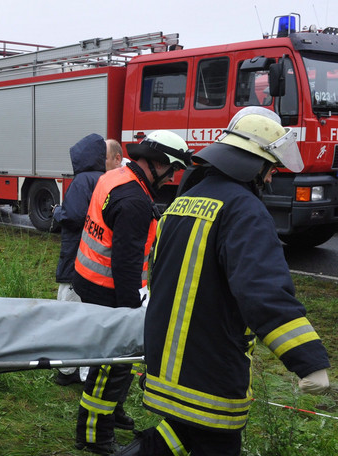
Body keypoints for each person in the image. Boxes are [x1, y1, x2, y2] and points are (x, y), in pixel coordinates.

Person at [116, 107, 331, 456]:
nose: (270, 178)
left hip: (165, 360)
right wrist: (309, 361)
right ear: (255, 165)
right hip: (209, 370)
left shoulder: (182, 203)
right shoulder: (244, 210)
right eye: (270, 168)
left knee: (181, 435)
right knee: (211, 440)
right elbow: (263, 292)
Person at [73, 131, 192, 455]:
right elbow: (125, 265)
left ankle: (114, 410)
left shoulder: (115, 176)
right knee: (111, 363)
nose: (173, 177)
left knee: (120, 360)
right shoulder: (135, 201)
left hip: (89, 278)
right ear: (158, 163)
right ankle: (94, 434)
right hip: (109, 289)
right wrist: (133, 309)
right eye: (173, 169)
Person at [53, 134, 122, 386]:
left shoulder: (81, 181)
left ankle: (68, 372)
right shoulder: (108, 180)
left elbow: (73, 216)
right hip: (98, 265)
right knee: (91, 319)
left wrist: (57, 212)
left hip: (75, 261)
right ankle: (88, 372)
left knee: (69, 317)